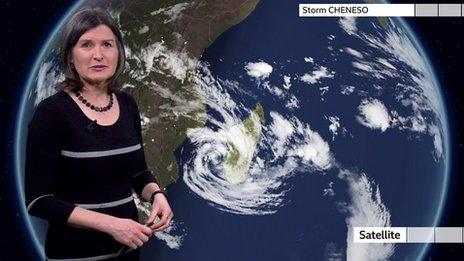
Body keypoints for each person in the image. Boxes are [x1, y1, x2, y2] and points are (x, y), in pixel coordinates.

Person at [24, 6, 173, 261]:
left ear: (118, 53)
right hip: (73, 256)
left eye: (107, 44)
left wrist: (156, 195)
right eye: (86, 45)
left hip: (127, 252)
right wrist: (113, 225)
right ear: (70, 56)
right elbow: (39, 200)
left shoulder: (127, 104)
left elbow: (138, 173)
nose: (98, 55)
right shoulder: (52, 112)